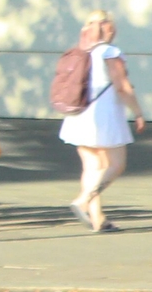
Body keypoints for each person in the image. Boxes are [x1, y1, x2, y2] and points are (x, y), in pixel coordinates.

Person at [58, 13, 143, 231]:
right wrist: (138, 112)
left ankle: (97, 219)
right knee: (115, 164)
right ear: (109, 28)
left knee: (91, 166)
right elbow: (122, 86)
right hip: (104, 115)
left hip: (79, 111)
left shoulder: (80, 52)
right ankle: (83, 200)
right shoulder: (111, 52)